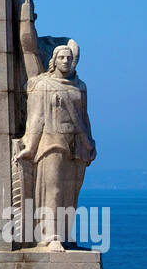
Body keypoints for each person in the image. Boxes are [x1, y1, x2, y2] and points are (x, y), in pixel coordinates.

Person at [14, 41, 95, 251]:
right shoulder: (43, 86)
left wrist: (89, 141)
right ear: (54, 61)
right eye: (61, 57)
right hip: (51, 142)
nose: (66, 61)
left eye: (69, 58)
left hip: (76, 144)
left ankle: (66, 233)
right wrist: (30, 147)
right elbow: (36, 118)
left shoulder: (80, 86)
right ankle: (50, 235)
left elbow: (84, 118)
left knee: (70, 191)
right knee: (54, 189)